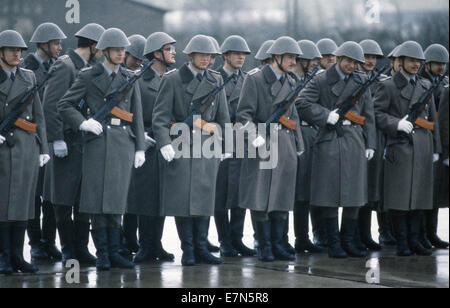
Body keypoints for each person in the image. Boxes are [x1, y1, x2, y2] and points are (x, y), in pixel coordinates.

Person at [58, 28, 146, 270]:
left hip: (122, 143)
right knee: (97, 202)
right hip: (97, 143)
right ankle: (104, 254)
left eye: (123, 50)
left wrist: (140, 147)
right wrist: (83, 122)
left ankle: (115, 252)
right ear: (104, 51)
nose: (121, 53)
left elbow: (136, 115)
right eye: (116, 50)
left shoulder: (130, 77)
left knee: (117, 201)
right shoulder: (88, 75)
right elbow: (64, 105)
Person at [152, 35, 231, 266]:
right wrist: (164, 143)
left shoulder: (216, 80)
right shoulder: (173, 79)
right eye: (202, 55)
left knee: (205, 198)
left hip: (208, 146)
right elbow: (160, 118)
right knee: (183, 200)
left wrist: (226, 144)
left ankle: (202, 247)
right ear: (190, 56)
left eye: (210, 56)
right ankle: (188, 249)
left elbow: (223, 118)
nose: (206, 59)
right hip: (181, 145)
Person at [297, 41, 376, 259]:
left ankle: (348, 240)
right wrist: (325, 115)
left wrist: (371, 144)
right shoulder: (321, 79)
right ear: (339, 59)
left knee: (354, 194)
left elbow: (369, 116)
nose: (352, 65)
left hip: (354, 140)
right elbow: (302, 103)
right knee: (329, 194)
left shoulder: (362, 81)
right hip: (330, 138)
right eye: (348, 60)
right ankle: (334, 243)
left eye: (355, 62)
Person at [236, 36, 304, 262]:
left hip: (284, 143)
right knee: (260, 196)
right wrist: (254, 136)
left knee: (282, 196)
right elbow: (243, 114)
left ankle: (277, 243)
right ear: (277, 57)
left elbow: (294, 117)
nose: (294, 62)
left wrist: (298, 145)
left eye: (295, 58)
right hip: (263, 142)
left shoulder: (292, 81)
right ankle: (264, 245)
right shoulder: (254, 80)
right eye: (290, 57)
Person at [42, 23, 105, 266]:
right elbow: (52, 104)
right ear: (94, 46)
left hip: (83, 141)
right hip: (66, 140)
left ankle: (81, 247)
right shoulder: (65, 65)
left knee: (81, 196)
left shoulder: (87, 68)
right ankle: (69, 248)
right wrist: (57, 137)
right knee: (63, 197)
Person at [373, 41, 441, 257]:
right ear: (400, 62)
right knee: (400, 198)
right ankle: (402, 240)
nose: (415, 65)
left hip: (423, 146)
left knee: (420, 197)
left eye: (418, 61)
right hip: (400, 146)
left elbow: (434, 121)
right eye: (411, 60)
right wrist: (396, 124)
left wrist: (436, 147)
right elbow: (377, 114)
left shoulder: (423, 86)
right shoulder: (388, 86)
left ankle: (415, 239)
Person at [0, 30, 50, 274]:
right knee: (2, 203)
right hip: (2, 148)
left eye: (19, 50)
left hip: (26, 147)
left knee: (22, 203)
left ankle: (18, 256)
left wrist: (43, 147)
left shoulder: (29, 77)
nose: (16, 54)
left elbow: (39, 115)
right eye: (11, 50)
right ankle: (3, 256)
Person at [128, 31, 177, 263]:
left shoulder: (172, 78)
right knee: (145, 198)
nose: (173, 52)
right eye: (168, 49)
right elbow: (127, 113)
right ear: (156, 54)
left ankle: (156, 244)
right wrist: (138, 136)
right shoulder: (137, 79)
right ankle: (145, 245)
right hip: (146, 144)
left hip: (165, 144)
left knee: (162, 197)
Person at [24, 22, 66, 261]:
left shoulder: (56, 67)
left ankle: (49, 242)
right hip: (32, 137)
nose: (60, 47)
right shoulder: (27, 68)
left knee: (50, 195)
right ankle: (35, 243)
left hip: (51, 138)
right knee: (33, 195)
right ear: (43, 44)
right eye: (56, 43)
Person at [214, 35, 255, 257]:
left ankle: (237, 239)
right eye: (236, 54)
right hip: (218, 139)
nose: (241, 57)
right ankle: (224, 240)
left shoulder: (249, 79)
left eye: (243, 54)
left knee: (240, 191)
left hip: (241, 139)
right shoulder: (213, 78)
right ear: (225, 56)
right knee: (220, 192)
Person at [292, 39, 323, 254]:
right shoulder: (291, 81)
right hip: (297, 134)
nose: (315, 64)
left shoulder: (314, 81)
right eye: (312, 60)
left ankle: (313, 235)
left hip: (314, 134)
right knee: (298, 192)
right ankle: (300, 237)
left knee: (311, 189)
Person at [419, 43, 449, 249]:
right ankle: (420, 234)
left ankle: (431, 232)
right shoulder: (422, 83)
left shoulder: (444, 83)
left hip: (438, 140)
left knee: (435, 191)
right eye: (437, 64)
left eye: (444, 64)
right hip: (423, 137)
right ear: (427, 64)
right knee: (422, 190)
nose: (441, 68)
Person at [121, 34, 146, 256]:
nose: (138, 62)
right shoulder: (121, 76)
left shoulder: (143, 77)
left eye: (141, 59)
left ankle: (131, 238)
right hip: (120, 138)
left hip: (139, 139)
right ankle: (120, 239)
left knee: (136, 195)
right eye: (135, 58)